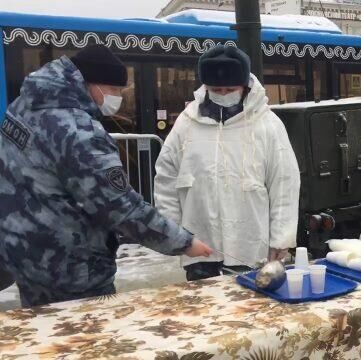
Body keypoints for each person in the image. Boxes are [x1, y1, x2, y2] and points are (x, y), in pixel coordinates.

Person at [0, 45, 213, 307]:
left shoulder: (24, 106)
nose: (118, 98)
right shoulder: (78, 130)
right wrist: (183, 242)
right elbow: (120, 206)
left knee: (46, 339)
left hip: (22, 252)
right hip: (69, 267)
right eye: (114, 90)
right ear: (91, 84)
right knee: (87, 341)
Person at [154, 45, 301, 281]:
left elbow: (284, 183)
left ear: (245, 87)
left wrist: (281, 238)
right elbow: (166, 178)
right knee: (203, 312)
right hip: (199, 247)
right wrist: (177, 234)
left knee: (249, 311)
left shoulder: (267, 124)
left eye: (230, 89)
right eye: (216, 89)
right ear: (206, 88)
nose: (223, 94)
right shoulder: (187, 123)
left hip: (250, 249)